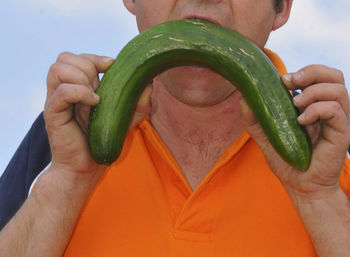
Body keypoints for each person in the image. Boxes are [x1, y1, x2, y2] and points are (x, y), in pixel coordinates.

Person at [0, 0, 349, 256]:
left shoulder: (334, 148)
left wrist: (320, 200)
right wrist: (67, 183)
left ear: (282, 7)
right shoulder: (59, 140)